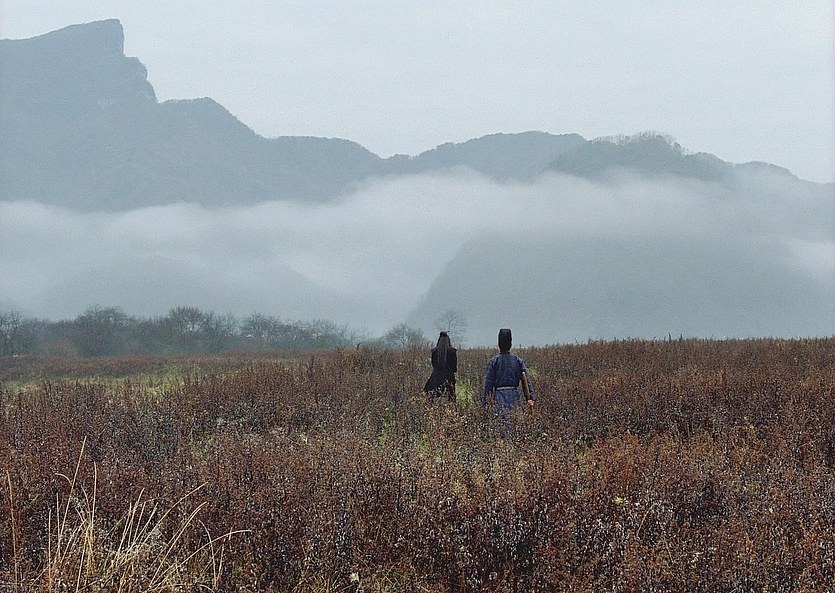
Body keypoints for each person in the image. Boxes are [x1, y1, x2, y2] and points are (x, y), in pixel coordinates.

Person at [481, 328, 535, 420]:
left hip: (499, 397)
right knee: (515, 421)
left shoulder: (494, 361)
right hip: (514, 396)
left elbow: (488, 385)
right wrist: (530, 397)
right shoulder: (518, 361)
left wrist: (485, 403)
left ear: (499, 343)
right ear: (510, 343)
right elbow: (526, 381)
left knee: (501, 422)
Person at [423, 331, 457, 401]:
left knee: (431, 397)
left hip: (436, 378)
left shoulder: (435, 352)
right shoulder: (452, 352)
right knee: (450, 399)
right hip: (449, 378)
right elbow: (454, 368)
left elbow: (433, 364)